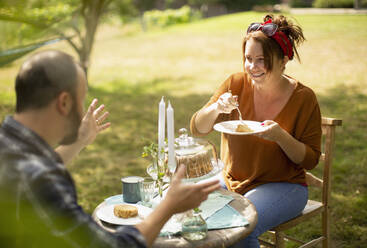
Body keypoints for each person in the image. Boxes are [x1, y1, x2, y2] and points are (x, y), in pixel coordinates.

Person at [0, 50, 220, 248]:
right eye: (81, 100)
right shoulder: (41, 180)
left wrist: (78, 141)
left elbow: (31, 164)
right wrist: (169, 206)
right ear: (64, 103)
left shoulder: (9, 143)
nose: (82, 109)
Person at [190, 14, 322, 247]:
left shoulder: (304, 98)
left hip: (284, 185)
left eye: (261, 60)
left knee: (241, 226)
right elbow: (197, 128)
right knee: (188, 213)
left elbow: (310, 160)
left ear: (283, 60)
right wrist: (216, 108)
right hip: (230, 181)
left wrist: (280, 136)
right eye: (248, 58)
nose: (252, 67)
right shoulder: (235, 84)